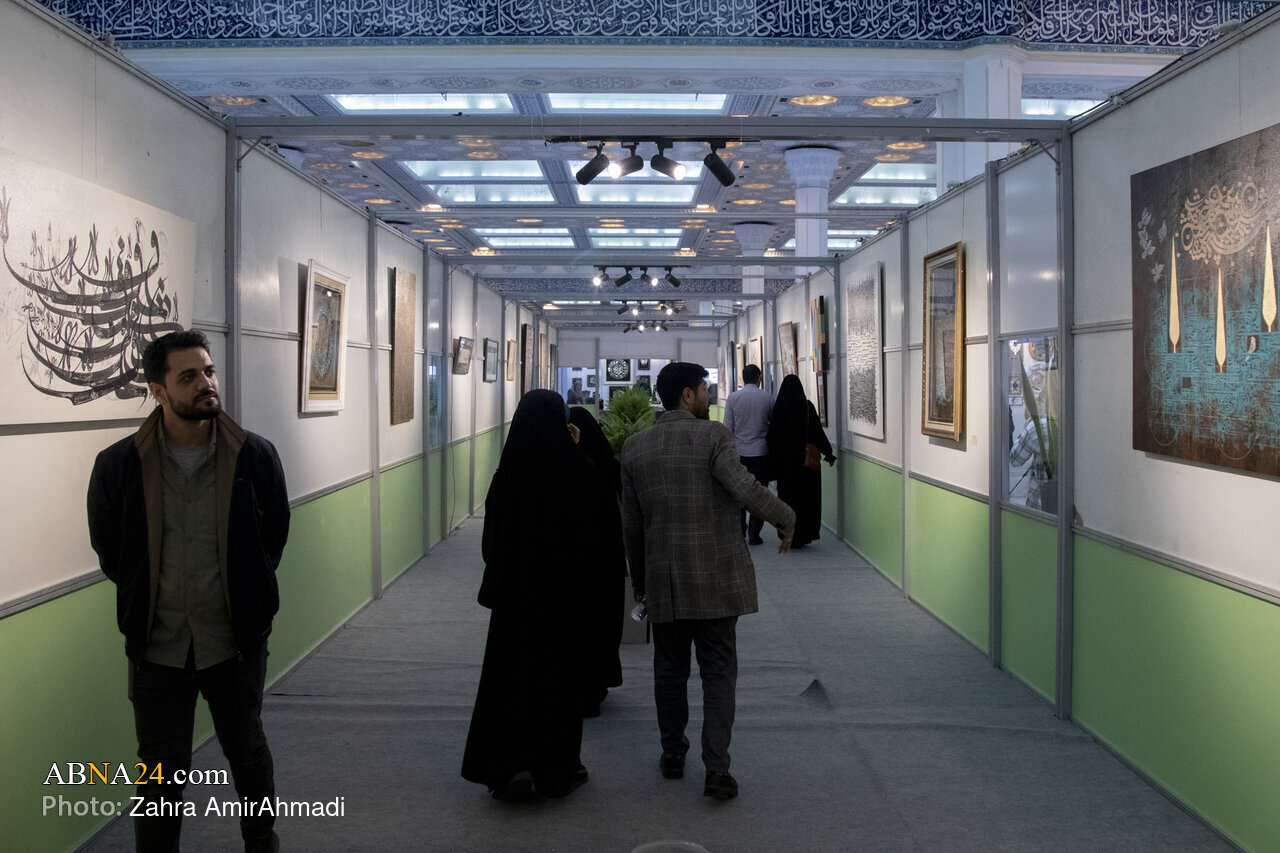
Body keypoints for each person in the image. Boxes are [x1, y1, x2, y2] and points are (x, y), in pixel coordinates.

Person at [86, 329, 290, 853]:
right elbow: (112, 551)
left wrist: (249, 596)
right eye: (189, 376)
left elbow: (272, 539)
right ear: (158, 390)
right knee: (159, 769)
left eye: (209, 371)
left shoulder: (254, 456)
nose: (206, 383)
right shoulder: (119, 465)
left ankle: (260, 841)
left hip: (233, 642)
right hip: (158, 646)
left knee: (246, 750)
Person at [620, 362, 795, 800]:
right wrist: (786, 518)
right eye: (704, 388)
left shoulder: (635, 448)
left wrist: (640, 580)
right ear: (687, 395)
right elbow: (745, 488)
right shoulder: (713, 436)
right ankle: (717, 769)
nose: (709, 395)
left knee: (669, 671)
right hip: (715, 578)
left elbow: (632, 527)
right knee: (718, 672)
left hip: (664, 580)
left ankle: (672, 754)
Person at [462, 390, 611, 800]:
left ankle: (507, 766)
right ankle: (555, 769)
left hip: (515, 602)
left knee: (509, 681)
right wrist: (576, 452)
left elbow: (490, 546)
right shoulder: (578, 471)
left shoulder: (506, 476)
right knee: (557, 683)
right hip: (564, 601)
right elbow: (595, 538)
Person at [568, 406, 626, 714]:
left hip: (577, 562)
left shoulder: (566, 467)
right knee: (603, 621)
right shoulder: (608, 464)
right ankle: (598, 682)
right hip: (607, 559)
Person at [766, 374, 836, 549]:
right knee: (806, 502)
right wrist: (828, 452)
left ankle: (787, 535)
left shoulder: (779, 409)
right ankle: (803, 535)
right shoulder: (807, 407)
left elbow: (771, 437)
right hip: (805, 468)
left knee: (786, 501)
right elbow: (818, 432)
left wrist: (774, 460)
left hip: (785, 467)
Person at [722, 363, 773, 545]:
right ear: (759, 378)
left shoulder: (733, 398)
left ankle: (740, 531)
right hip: (761, 452)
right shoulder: (768, 399)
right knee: (759, 494)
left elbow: (727, 428)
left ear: (743, 378)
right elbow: (772, 427)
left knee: (739, 493)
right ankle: (754, 534)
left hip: (739, 453)